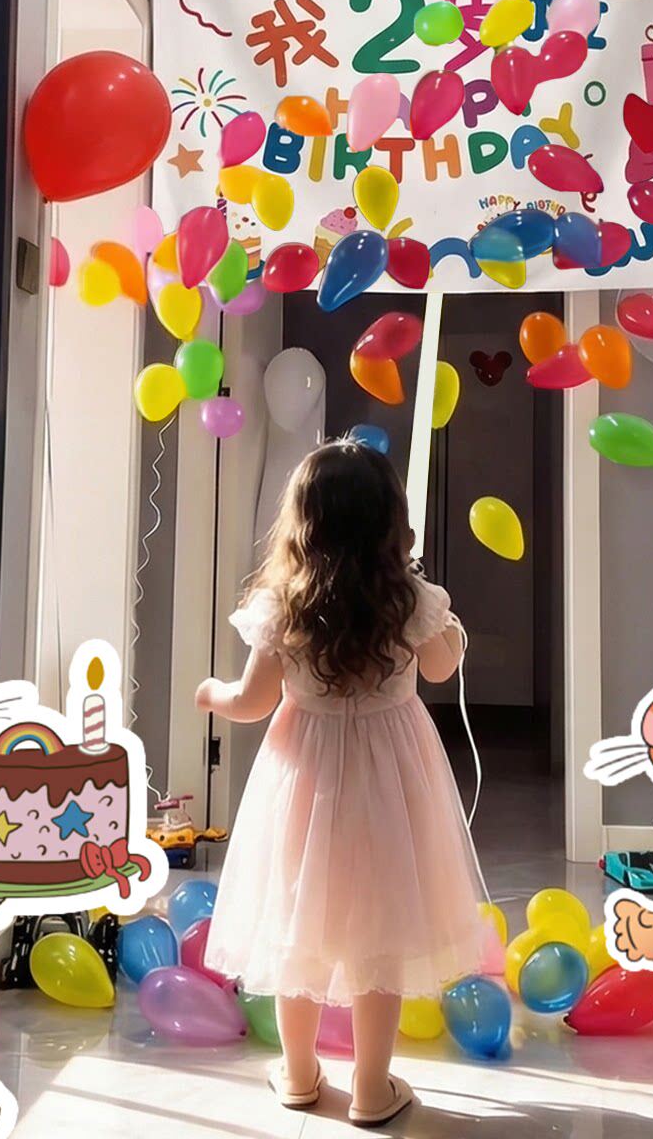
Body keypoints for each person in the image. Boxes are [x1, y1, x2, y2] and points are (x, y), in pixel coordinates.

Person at [198, 440, 486, 1126]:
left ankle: (299, 1075)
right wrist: (451, 629)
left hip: (305, 776)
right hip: (392, 776)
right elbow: (442, 668)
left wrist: (211, 694)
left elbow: (252, 702)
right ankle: (371, 1088)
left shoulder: (284, 605)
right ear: (392, 522)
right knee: (380, 932)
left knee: (299, 923)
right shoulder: (410, 600)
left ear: (304, 523)